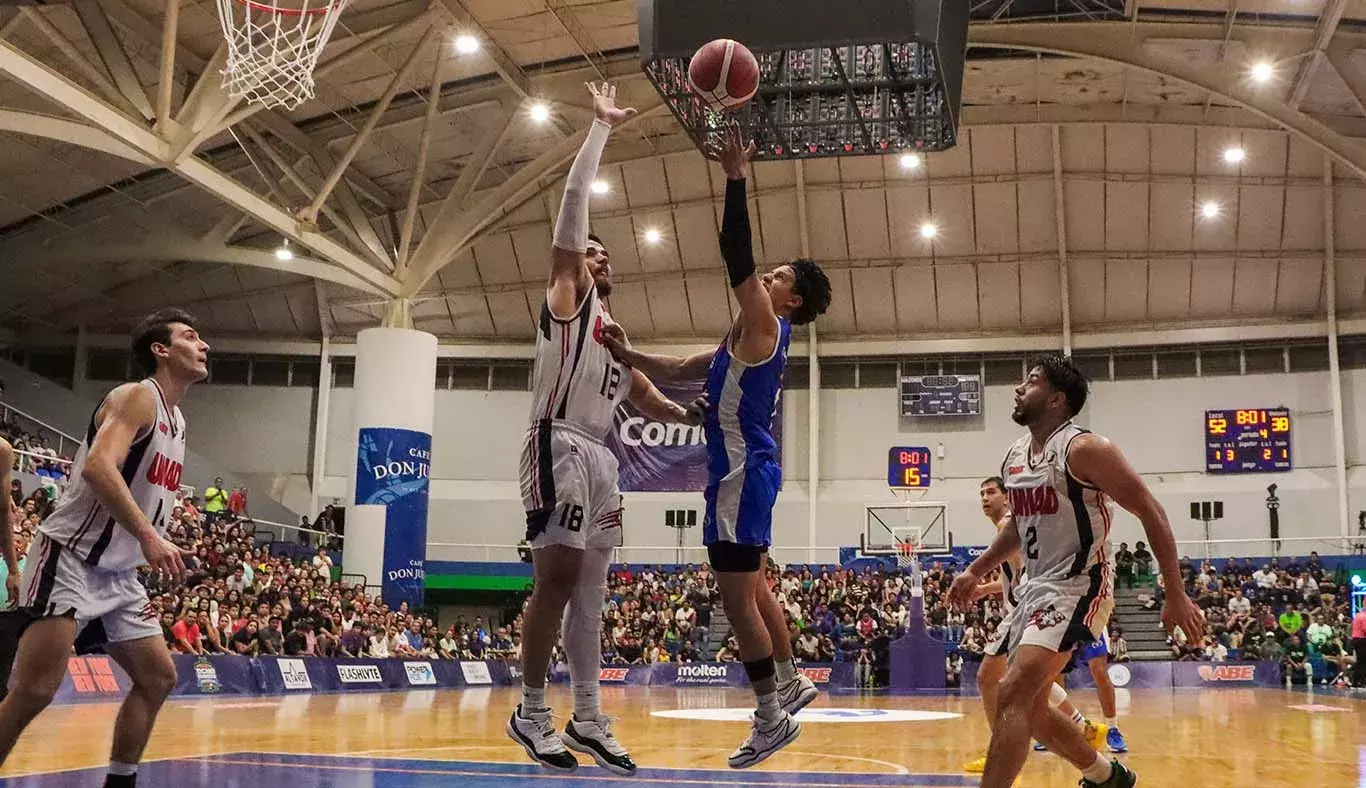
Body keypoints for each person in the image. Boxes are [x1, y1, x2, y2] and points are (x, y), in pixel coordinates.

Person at [604, 121, 832, 769]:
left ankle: (769, 717)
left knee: (735, 601)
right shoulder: (741, 338)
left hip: (740, 473)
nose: (769, 278)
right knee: (754, 588)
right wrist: (628, 351)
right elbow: (681, 366)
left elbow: (735, 252)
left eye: (780, 275)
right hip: (747, 471)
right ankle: (788, 680)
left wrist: (736, 178)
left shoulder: (766, 323)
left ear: (790, 300)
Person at [506, 82, 708, 777]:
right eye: (589, 252)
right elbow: (571, 213)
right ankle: (532, 710)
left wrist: (690, 417)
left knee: (592, 595)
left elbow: (643, 393)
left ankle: (587, 715)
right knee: (556, 580)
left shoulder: (613, 333)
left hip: (603, 460)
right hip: (556, 442)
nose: (598, 257)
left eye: (603, 254)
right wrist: (598, 131)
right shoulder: (566, 299)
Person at [948, 355, 1204, 788]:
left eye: (1030, 382)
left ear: (1056, 399)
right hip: (1034, 588)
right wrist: (976, 570)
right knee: (1028, 706)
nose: (1018, 389)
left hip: (1078, 584)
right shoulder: (1014, 455)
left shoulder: (1084, 449)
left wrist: (1175, 593)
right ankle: (1106, 775)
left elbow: (1151, 510)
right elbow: (1017, 527)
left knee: (1011, 692)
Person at [0, 309, 208, 788]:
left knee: (158, 678)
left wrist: (158, 534)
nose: (204, 346)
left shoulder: (177, 420)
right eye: (191, 337)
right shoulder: (137, 397)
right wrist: (150, 537)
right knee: (35, 691)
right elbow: (98, 467)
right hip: (70, 556)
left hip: (118, 573)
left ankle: (120, 782)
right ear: (161, 349)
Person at [963, 476, 1107, 774]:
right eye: (981, 494)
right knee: (1029, 682)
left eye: (991, 492)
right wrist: (985, 589)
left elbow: (1025, 569)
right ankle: (1085, 727)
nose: (985, 498)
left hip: (1024, 609)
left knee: (990, 678)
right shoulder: (1008, 527)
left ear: (1007, 498)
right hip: (1024, 606)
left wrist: (1025, 603)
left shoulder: (1007, 526)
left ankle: (1000, 748)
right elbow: (1015, 575)